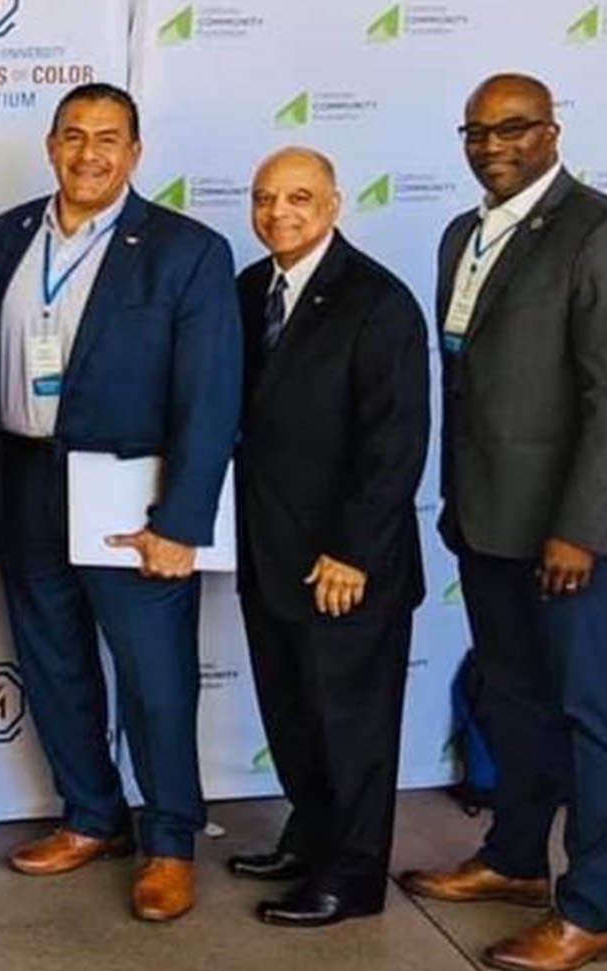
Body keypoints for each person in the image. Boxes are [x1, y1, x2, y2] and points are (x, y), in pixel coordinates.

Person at [398, 73, 607, 971]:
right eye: (476, 130)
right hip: (489, 520)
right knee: (513, 699)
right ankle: (514, 859)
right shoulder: (461, 235)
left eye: (512, 128)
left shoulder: (605, 238)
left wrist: (579, 529)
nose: (491, 144)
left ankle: (589, 911)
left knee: (591, 715)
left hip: (571, 530)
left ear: (550, 131)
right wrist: (458, 505)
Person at [0, 82, 241, 922]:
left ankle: (168, 841)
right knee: (51, 659)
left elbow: (210, 397)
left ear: (134, 151)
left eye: (108, 138)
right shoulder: (12, 234)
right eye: (74, 136)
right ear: (50, 144)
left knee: (154, 677)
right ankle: (91, 814)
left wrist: (182, 524)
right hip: (25, 478)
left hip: (131, 489)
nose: (89, 153)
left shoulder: (185, 249)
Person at [228, 147, 429, 928]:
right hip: (268, 552)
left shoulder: (378, 302)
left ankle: (351, 879)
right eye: (265, 198)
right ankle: (309, 838)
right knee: (294, 716)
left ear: (336, 204)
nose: (279, 212)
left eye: (299, 198)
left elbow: (396, 443)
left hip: (344, 563)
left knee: (353, 730)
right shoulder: (251, 291)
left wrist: (352, 550)